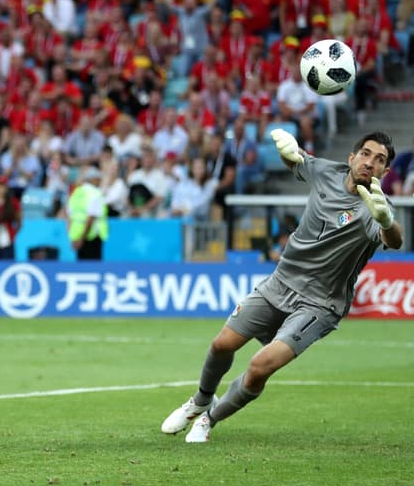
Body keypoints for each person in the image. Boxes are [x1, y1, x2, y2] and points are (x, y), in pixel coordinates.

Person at [162, 130, 403, 444]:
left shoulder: (376, 207)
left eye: (379, 160)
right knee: (222, 344)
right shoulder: (327, 171)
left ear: (385, 172)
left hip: (319, 305)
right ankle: (201, 399)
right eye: (366, 154)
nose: (370, 163)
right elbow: (297, 160)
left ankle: (210, 419)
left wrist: (385, 221)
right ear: (352, 157)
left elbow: (393, 240)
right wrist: (287, 149)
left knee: (260, 366)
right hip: (280, 282)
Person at [66, 165, 108, 260]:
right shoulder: (95, 193)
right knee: (93, 269)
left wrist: (72, 238)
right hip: (91, 236)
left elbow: (69, 216)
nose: (100, 181)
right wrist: (82, 238)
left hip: (76, 235)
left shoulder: (76, 192)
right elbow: (91, 218)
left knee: (81, 268)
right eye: (98, 179)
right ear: (92, 179)